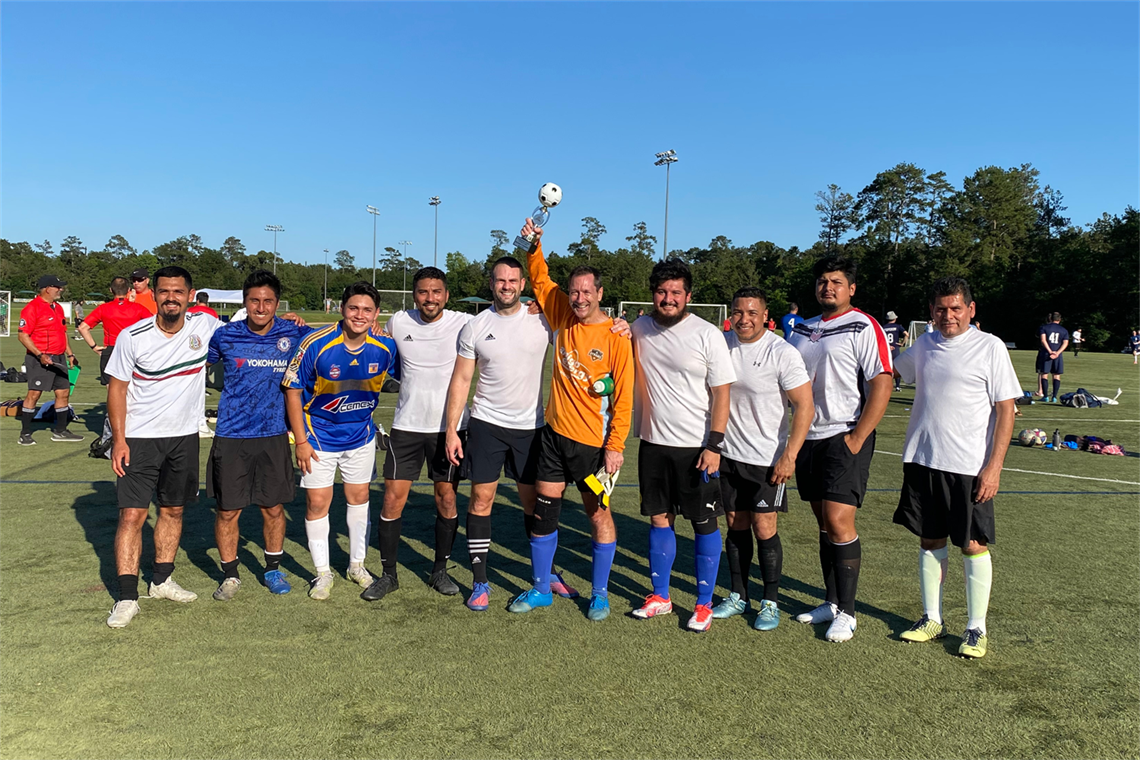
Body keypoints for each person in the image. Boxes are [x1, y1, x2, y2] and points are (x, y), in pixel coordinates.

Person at [506, 220, 634, 621]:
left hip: (593, 444)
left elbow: (625, 398)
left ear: (600, 294)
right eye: (574, 291)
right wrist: (535, 242)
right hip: (553, 437)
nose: (579, 298)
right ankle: (542, 588)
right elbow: (540, 277)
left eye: (586, 292)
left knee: (598, 515)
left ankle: (599, 593)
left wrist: (615, 447)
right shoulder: (561, 313)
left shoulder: (617, 337)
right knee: (545, 513)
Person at [893, 277, 1019, 659]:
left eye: (955, 308)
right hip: (923, 458)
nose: (948, 316)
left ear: (971, 309)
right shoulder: (924, 345)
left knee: (973, 544)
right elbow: (891, 372)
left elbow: (1006, 409)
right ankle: (932, 618)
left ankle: (976, 628)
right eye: (940, 309)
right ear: (931, 312)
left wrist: (994, 467)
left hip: (968, 465)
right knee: (929, 540)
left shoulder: (990, 347)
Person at [444, 255, 572, 612]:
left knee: (534, 504)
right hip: (486, 425)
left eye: (513, 281)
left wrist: (619, 327)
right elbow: (462, 380)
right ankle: (480, 580)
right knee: (481, 500)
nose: (507, 286)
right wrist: (453, 429)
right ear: (491, 284)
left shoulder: (542, 321)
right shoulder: (474, 326)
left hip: (531, 429)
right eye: (501, 281)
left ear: (523, 284)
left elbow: (582, 330)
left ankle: (544, 577)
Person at [104, 266, 221, 628]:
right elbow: (117, 389)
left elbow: (255, 327)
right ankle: (126, 597)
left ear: (190, 294)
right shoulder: (132, 336)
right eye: (165, 291)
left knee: (172, 510)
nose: (172, 297)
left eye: (179, 291)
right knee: (132, 515)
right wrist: (119, 440)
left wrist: (293, 320)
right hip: (138, 438)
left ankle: (161, 580)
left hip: (184, 436)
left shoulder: (207, 327)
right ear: (154, 293)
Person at [787, 254, 893, 643]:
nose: (827, 287)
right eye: (822, 281)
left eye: (836, 281)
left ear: (851, 288)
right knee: (822, 522)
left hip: (844, 435)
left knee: (839, 520)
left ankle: (848, 612)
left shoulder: (864, 326)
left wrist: (857, 437)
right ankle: (831, 602)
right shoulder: (801, 330)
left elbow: (882, 382)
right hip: (807, 437)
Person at [629, 259, 736, 632]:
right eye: (661, 292)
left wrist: (715, 444)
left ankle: (704, 604)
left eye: (676, 292)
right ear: (653, 295)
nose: (668, 298)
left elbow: (722, 393)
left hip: (697, 447)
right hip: (653, 443)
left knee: (703, 523)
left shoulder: (707, 334)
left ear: (688, 296)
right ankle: (661, 596)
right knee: (660, 518)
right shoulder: (637, 329)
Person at [360, 267, 473, 603]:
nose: (430, 298)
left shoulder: (464, 322)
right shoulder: (400, 321)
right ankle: (389, 574)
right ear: (414, 295)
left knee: (447, 498)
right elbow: (370, 335)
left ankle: (440, 570)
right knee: (393, 499)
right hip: (406, 426)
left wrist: (535, 306)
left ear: (446, 295)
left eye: (436, 291)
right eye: (423, 292)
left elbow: (507, 317)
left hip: (450, 429)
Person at [284, 282, 399, 600]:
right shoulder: (316, 343)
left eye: (366, 310)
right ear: (342, 309)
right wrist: (301, 441)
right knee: (317, 503)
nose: (359, 315)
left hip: (360, 437)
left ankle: (357, 565)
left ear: (376, 314)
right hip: (318, 439)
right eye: (353, 308)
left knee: (359, 499)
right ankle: (322, 573)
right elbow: (292, 391)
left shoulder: (385, 347)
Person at [712, 287, 812, 631]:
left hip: (767, 459)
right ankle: (738, 594)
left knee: (764, 526)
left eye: (752, 313)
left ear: (765, 315)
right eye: (738, 312)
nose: (744, 319)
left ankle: (770, 601)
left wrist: (790, 455)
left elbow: (805, 406)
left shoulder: (781, 352)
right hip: (727, 455)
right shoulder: (721, 343)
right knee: (734, 523)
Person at [207, 271, 309, 600]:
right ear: (245, 302)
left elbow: (339, 338)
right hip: (232, 434)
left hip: (274, 434)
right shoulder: (225, 336)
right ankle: (231, 573)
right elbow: (195, 368)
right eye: (254, 300)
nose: (261, 307)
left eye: (268, 301)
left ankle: (272, 569)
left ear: (278, 304)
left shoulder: (294, 333)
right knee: (227, 511)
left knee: (273, 508)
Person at [16, 274, 83, 445]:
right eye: (57, 287)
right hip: (39, 358)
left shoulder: (58, 308)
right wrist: (39, 355)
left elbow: (63, 333)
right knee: (34, 394)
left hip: (59, 357)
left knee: (63, 393)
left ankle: (60, 431)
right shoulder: (32, 308)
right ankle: (25, 433)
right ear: (47, 289)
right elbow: (23, 336)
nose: (60, 289)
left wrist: (70, 354)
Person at [78, 277, 153, 386]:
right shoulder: (138, 308)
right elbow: (154, 325)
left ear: (111, 290)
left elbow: (82, 328)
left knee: (112, 392)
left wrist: (94, 347)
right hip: (134, 351)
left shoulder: (103, 308)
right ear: (128, 290)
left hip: (111, 350)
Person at [1035, 312, 1068, 402]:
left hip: (1046, 354)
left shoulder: (1044, 327)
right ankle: (1054, 397)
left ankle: (1045, 396)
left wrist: (1050, 351)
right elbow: (1065, 343)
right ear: (1059, 319)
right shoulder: (1064, 330)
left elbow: (1043, 340)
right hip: (1058, 355)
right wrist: (1057, 352)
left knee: (1044, 374)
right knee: (1056, 375)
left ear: (1050, 319)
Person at [882, 311, 908, 391]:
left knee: (886, 368)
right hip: (895, 348)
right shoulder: (898, 326)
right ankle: (897, 386)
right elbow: (906, 334)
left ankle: (886, 385)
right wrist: (902, 343)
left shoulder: (883, 327)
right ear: (895, 318)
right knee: (897, 367)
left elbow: (880, 338)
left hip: (887, 349)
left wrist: (886, 346)